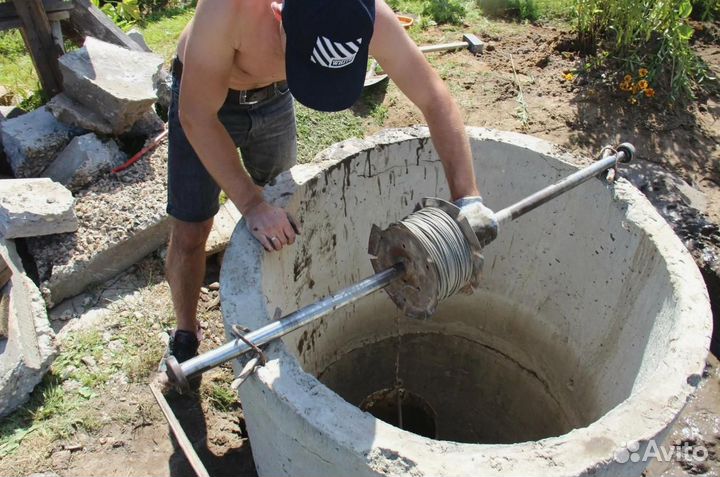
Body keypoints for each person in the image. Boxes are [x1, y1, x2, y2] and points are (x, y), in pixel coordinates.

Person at [165, 0, 497, 362]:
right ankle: (186, 332)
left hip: (274, 97)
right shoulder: (229, 8)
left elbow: (435, 99)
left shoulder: (364, 13)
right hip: (205, 96)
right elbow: (197, 115)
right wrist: (252, 204)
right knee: (192, 229)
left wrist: (467, 198)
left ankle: (275, 304)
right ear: (280, 13)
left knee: (283, 214)